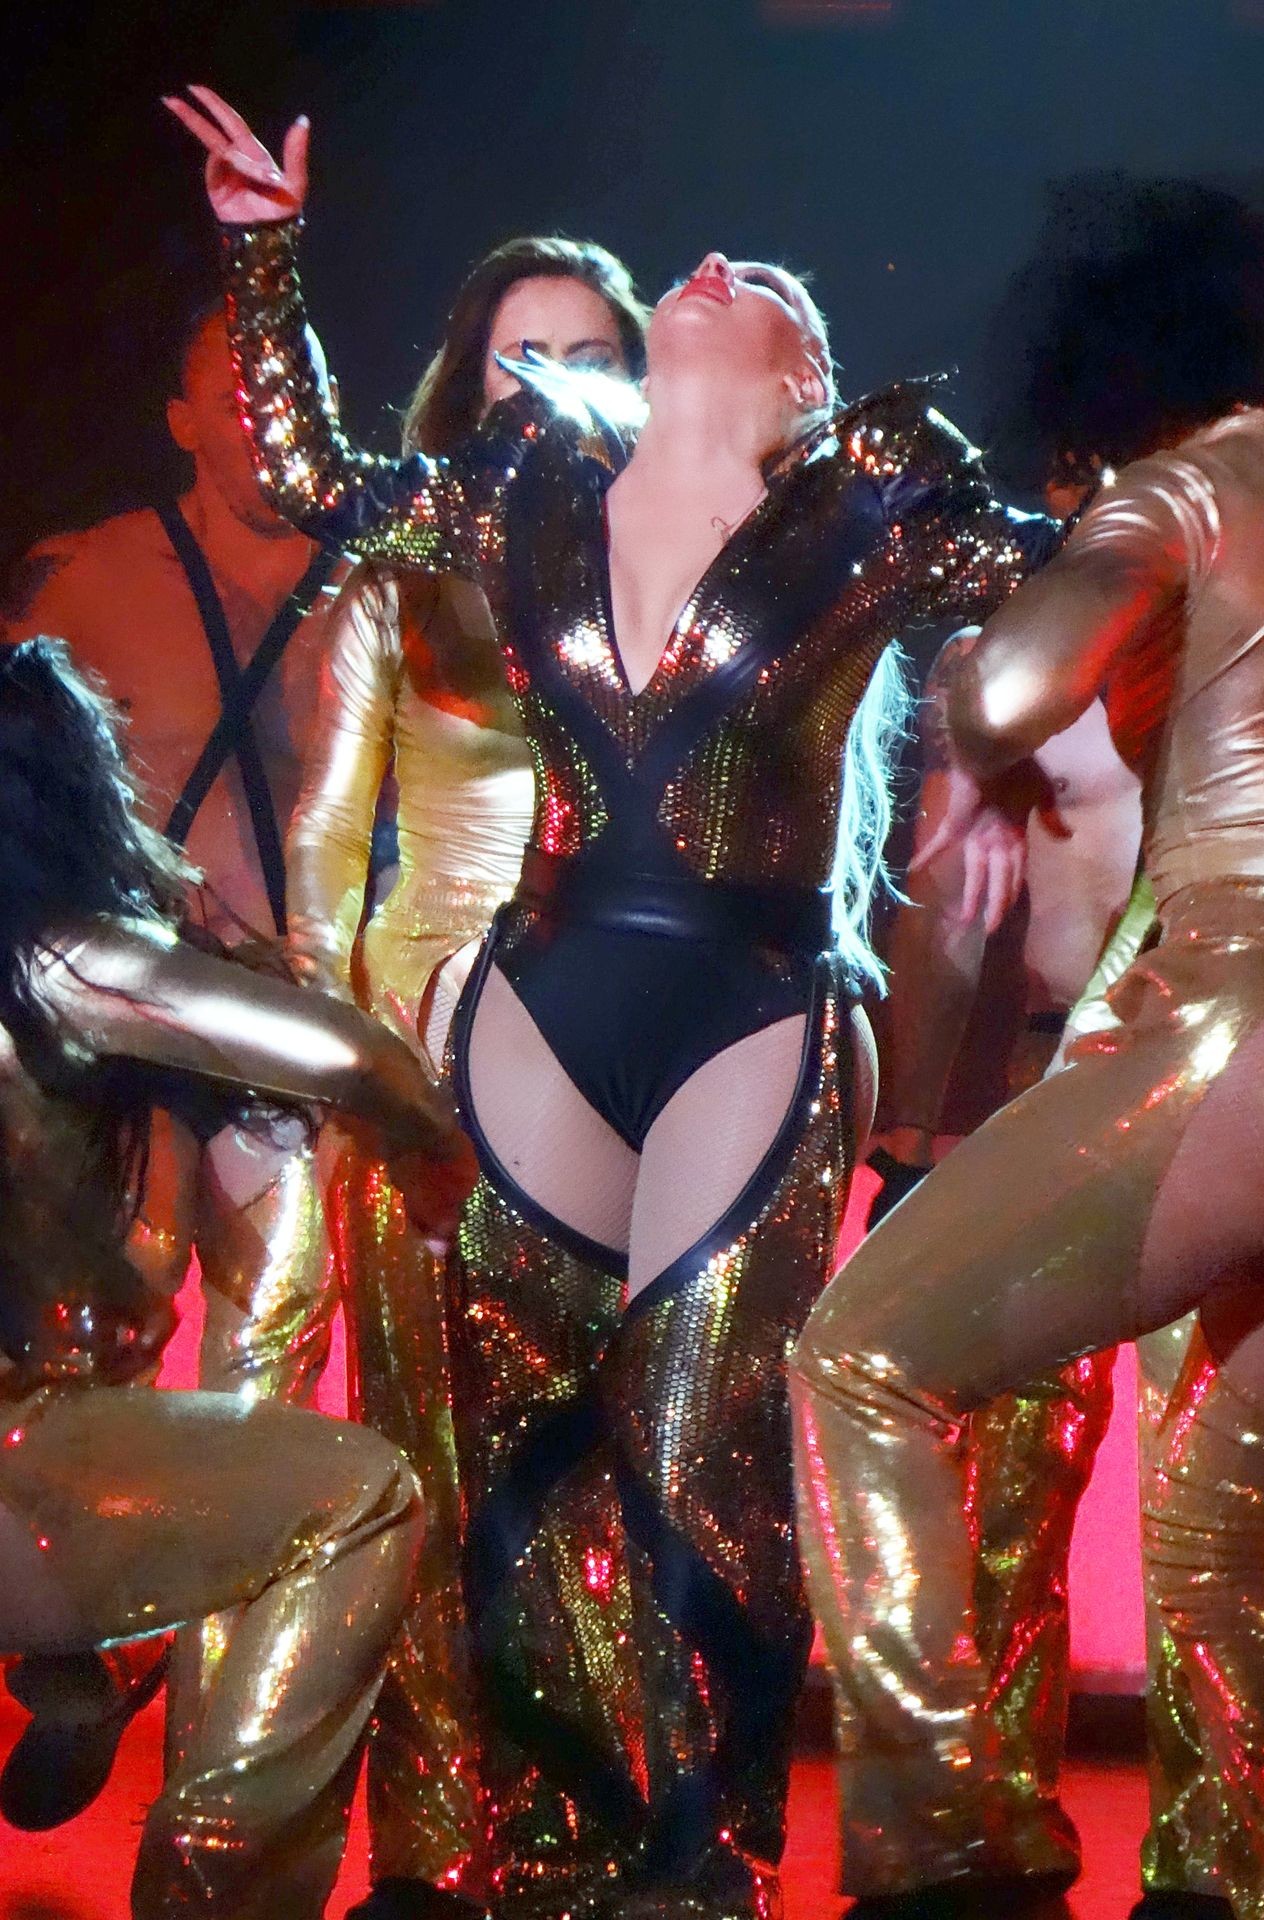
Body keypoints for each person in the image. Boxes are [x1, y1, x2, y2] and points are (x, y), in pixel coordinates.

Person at [166, 83, 1056, 1920]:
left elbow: (1071, 575)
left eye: (772, 289)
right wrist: (265, 257)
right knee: (519, 1451)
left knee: (692, 1444)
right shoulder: (526, 486)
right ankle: (537, 1853)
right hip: (539, 994)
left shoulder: (874, 499)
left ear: (808, 381)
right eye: (712, 267)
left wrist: (1007, 753)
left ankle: (701, 1862)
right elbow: (320, 481)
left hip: (751, 1013)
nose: (721, 265)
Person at [791, 176, 1264, 1919]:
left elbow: (1002, 698)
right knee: (1233, 1544)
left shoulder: (1197, 482)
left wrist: (1028, 615)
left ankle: (946, 1858)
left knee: (861, 1362)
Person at [0, 632, 478, 1919]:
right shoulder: (53, 957)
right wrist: (429, 1145)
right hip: (17, 1469)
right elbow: (345, 1054)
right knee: (360, 1497)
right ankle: (213, 1879)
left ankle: (83, 1660)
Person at [285, 235, 646, 1918]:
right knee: (424, 1446)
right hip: (428, 1044)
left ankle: (590, 1832)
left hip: (621, 1050)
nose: (554, 385)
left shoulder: (678, 570)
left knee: (600, 1457)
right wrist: (344, 1055)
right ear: (467, 381)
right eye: (521, 354)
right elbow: (324, 837)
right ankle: (438, 1846)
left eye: (589, 353)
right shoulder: (400, 574)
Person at [0, 298, 349, 1815]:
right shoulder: (89, 575)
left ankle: (215, 1759)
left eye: (290, 385)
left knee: (265, 1379)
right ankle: (80, 1640)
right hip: (127, 1049)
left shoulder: (383, 580)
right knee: (91, 1363)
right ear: (182, 418)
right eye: (236, 387)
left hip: (292, 1048)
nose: (267, 414)